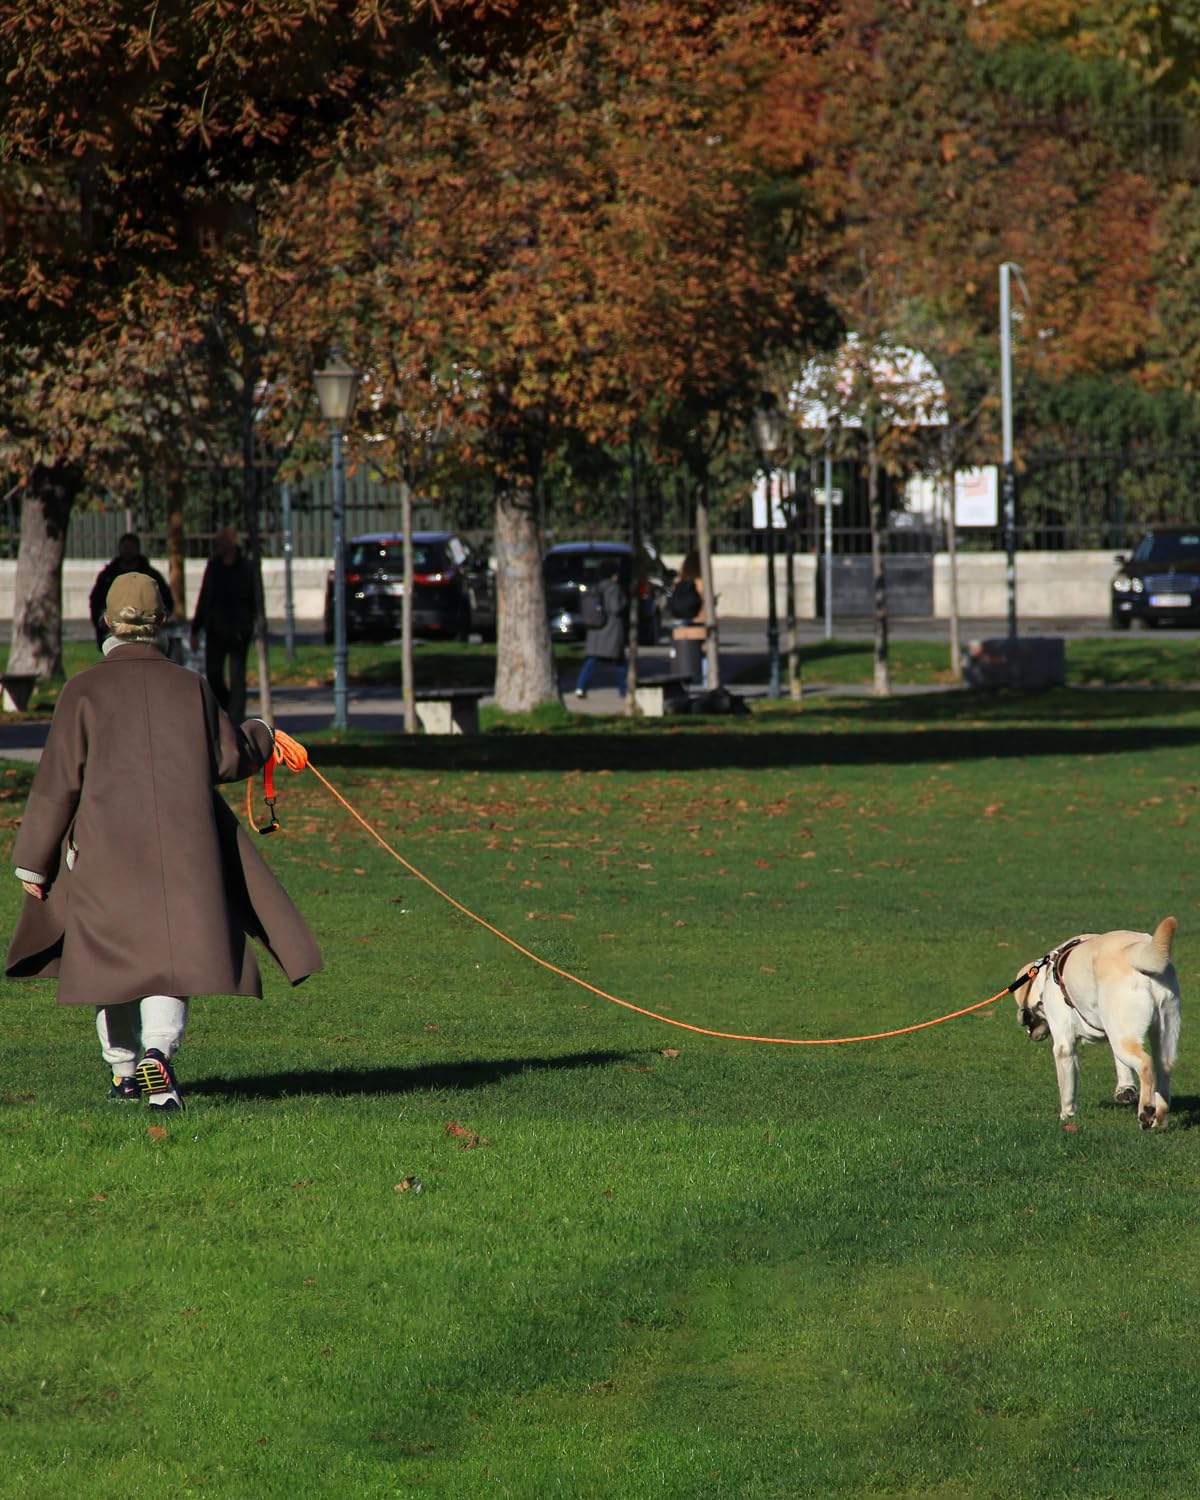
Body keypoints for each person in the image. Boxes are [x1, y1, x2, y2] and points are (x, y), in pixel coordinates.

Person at [6, 572, 321, 1110]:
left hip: (103, 853)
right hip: (182, 850)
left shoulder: (82, 690)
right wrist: (263, 736)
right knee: (167, 959)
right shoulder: (190, 685)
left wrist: (34, 865)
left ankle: (125, 1072)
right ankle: (160, 1054)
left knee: (109, 963)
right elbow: (226, 759)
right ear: (162, 623)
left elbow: (58, 783)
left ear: (105, 621)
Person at [191, 526, 257, 723]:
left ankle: (236, 719)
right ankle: (223, 710)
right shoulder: (213, 567)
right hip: (215, 630)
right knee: (214, 674)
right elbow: (204, 597)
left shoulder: (246, 567)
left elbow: (253, 599)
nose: (217, 546)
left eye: (220, 542)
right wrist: (196, 629)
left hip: (239, 632)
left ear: (232, 542)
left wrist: (250, 623)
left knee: (238, 678)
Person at [88, 533, 174, 648]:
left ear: (137, 549)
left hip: (146, 637)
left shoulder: (151, 576)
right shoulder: (107, 576)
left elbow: (167, 602)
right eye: (125, 547)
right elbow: (96, 601)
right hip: (113, 635)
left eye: (131, 547)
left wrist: (156, 624)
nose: (128, 551)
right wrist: (101, 626)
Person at [574, 567, 629, 699]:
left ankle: (580, 687)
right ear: (613, 575)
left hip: (595, 630)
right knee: (620, 661)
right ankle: (624, 690)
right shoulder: (614, 588)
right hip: (611, 630)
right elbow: (615, 608)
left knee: (591, 660)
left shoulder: (595, 588)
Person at [668, 550, 707, 686]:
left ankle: (684, 683)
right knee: (703, 654)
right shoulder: (702, 581)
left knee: (682, 655)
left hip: (680, 624)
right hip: (699, 622)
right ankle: (705, 683)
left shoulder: (680, 580)